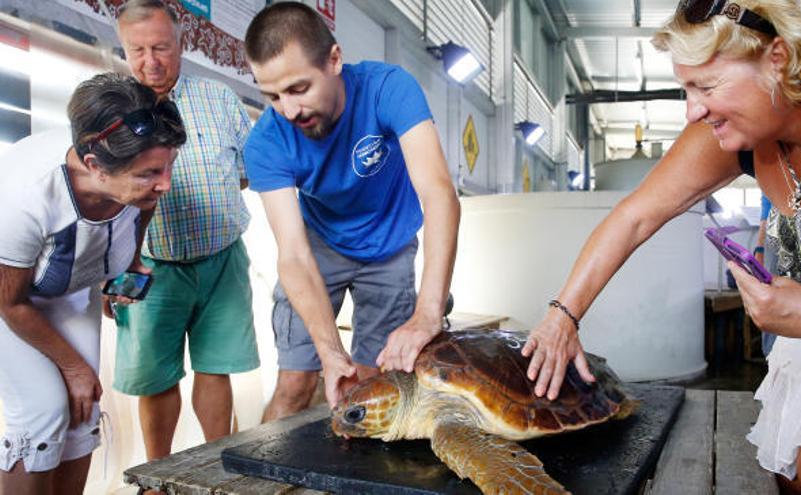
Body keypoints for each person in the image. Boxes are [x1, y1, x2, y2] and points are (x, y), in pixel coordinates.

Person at [523, 0, 801, 492]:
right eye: (687, 87)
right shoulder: (742, 134)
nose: (694, 110)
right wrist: (563, 315)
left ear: (778, 58)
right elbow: (635, 216)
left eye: (707, 86)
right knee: (789, 471)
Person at [242, 2, 460, 420]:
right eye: (271, 96)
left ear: (335, 60)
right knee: (296, 384)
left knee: (371, 382)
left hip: (392, 247)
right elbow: (292, 252)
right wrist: (328, 351)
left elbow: (439, 194)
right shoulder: (267, 142)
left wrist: (428, 312)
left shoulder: (389, 89)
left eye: (298, 89)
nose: (288, 111)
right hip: (321, 247)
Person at [0, 73, 185, 494]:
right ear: (94, 167)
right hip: (10, 299)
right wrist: (72, 366)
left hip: (71, 290)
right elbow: (10, 303)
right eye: (150, 173)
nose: (165, 183)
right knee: (42, 412)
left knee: (84, 412)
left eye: (168, 166)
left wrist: (130, 263)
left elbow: (143, 208)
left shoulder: (142, 182)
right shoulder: (22, 197)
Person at [111, 0, 260, 460]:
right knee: (155, 377)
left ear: (183, 43)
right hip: (149, 265)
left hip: (221, 260)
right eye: (137, 50)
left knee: (217, 370)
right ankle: (157, 477)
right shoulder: (113, 109)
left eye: (161, 47)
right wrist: (110, 271)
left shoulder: (218, 98)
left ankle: (218, 470)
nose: (150, 61)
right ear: (123, 48)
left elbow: (246, 171)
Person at [754, 193, 780, 356]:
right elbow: (766, 206)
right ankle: (770, 353)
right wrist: (760, 249)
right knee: (772, 293)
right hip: (776, 230)